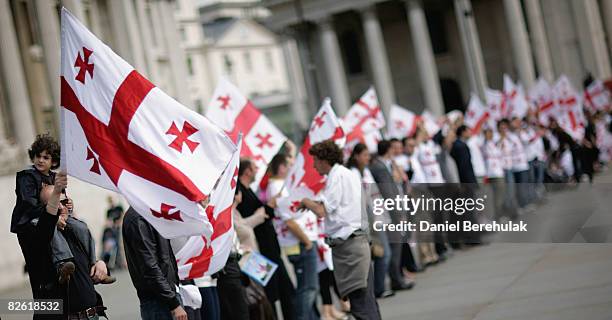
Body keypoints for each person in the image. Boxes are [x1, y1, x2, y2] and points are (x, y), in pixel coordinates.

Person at [299, 140, 381, 320]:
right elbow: (335, 206)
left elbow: (322, 211)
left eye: (315, 161)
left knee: (360, 304)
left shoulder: (337, 176)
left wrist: (306, 202)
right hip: (355, 242)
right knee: (366, 301)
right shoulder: (345, 174)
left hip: (350, 245)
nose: (313, 165)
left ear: (323, 160)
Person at [237, 158, 295, 320]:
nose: (257, 170)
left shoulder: (248, 191)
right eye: (254, 167)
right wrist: (267, 208)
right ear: (247, 171)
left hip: (269, 249)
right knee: (268, 295)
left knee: (284, 291)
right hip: (256, 252)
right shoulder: (240, 193)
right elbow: (246, 223)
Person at [40, 184, 110, 319]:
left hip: (93, 315)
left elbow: (85, 274)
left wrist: (100, 264)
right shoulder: (39, 238)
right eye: (54, 204)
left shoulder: (75, 231)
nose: (61, 208)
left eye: (64, 202)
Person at [266, 154, 319, 320]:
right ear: (281, 167)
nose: (291, 168)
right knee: (307, 288)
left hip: (302, 241)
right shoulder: (277, 187)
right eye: (288, 165)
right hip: (300, 243)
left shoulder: (280, 185)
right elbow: (288, 220)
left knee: (309, 288)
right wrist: (307, 241)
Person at [122, 207, 188, 320]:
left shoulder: (149, 213)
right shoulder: (138, 218)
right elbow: (149, 267)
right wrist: (173, 303)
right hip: (159, 302)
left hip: (166, 296)